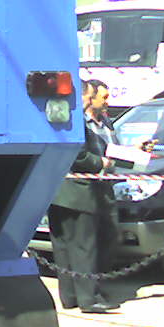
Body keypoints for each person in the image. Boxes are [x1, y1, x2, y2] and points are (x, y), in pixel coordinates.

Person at [48, 79, 120, 314]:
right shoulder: (74, 118)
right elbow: (78, 156)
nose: (90, 102)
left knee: (63, 247)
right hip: (78, 192)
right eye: (88, 97)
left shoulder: (55, 115)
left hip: (56, 191)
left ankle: (69, 296)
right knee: (83, 248)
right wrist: (101, 162)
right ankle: (89, 299)